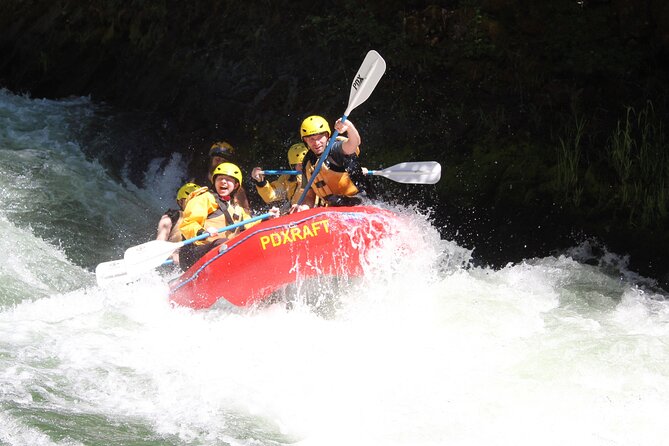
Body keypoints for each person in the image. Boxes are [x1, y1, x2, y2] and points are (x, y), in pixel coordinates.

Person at [179, 162, 279, 270]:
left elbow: (251, 226)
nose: (223, 182)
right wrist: (203, 232)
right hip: (195, 252)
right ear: (215, 181)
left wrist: (267, 218)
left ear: (236, 185)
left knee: (236, 245)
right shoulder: (204, 198)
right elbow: (188, 224)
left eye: (228, 180)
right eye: (220, 178)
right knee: (223, 244)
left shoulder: (237, 209)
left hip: (222, 251)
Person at [291, 115, 371, 213]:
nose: (316, 142)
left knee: (338, 201)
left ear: (327, 136)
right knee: (334, 202)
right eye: (311, 139)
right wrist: (304, 208)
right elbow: (309, 196)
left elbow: (354, 144)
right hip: (334, 209)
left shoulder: (335, 149)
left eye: (320, 137)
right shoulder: (307, 163)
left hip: (361, 203)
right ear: (305, 140)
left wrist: (349, 126)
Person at [251, 142, 309, 212]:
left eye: (306, 163)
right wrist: (261, 182)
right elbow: (272, 196)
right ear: (293, 166)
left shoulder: (318, 174)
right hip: (297, 213)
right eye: (300, 165)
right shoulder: (287, 179)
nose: (304, 167)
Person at [155, 182, 199, 265]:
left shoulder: (208, 218)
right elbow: (159, 244)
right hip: (173, 264)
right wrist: (172, 255)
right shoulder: (171, 217)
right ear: (180, 202)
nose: (195, 205)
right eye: (191, 201)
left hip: (196, 261)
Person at [207, 141, 251, 209]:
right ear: (211, 160)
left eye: (224, 161)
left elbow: (245, 212)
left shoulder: (235, 188)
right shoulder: (196, 181)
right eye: (217, 159)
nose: (220, 163)